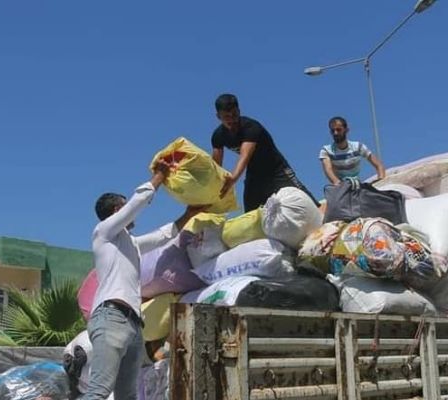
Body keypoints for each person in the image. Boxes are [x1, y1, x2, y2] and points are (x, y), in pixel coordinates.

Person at [82, 160, 203, 400]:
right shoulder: (103, 233)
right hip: (111, 316)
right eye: (124, 207)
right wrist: (159, 176)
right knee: (99, 390)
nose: (129, 211)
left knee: (127, 395)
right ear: (117, 211)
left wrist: (189, 213)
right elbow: (137, 205)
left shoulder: (132, 245)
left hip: (133, 324)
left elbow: (162, 236)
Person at [211, 93, 319, 212]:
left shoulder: (251, 127)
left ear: (239, 111)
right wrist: (213, 185)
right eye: (227, 116)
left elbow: (244, 156)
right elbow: (215, 166)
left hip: (277, 170)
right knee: (251, 215)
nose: (232, 119)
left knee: (307, 202)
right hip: (254, 175)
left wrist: (233, 179)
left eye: (234, 114)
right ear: (218, 117)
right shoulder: (218, 136)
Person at [319, 116, 386, 185]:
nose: (335, 133)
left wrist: (380, 181)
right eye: (333, 131)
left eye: (338, 130)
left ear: (346, 130)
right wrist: (338, 184)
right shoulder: (326, 151)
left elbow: (379, 165)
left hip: (356, 185)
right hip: (338, 187)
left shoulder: (358, 147)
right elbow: (328, 169)